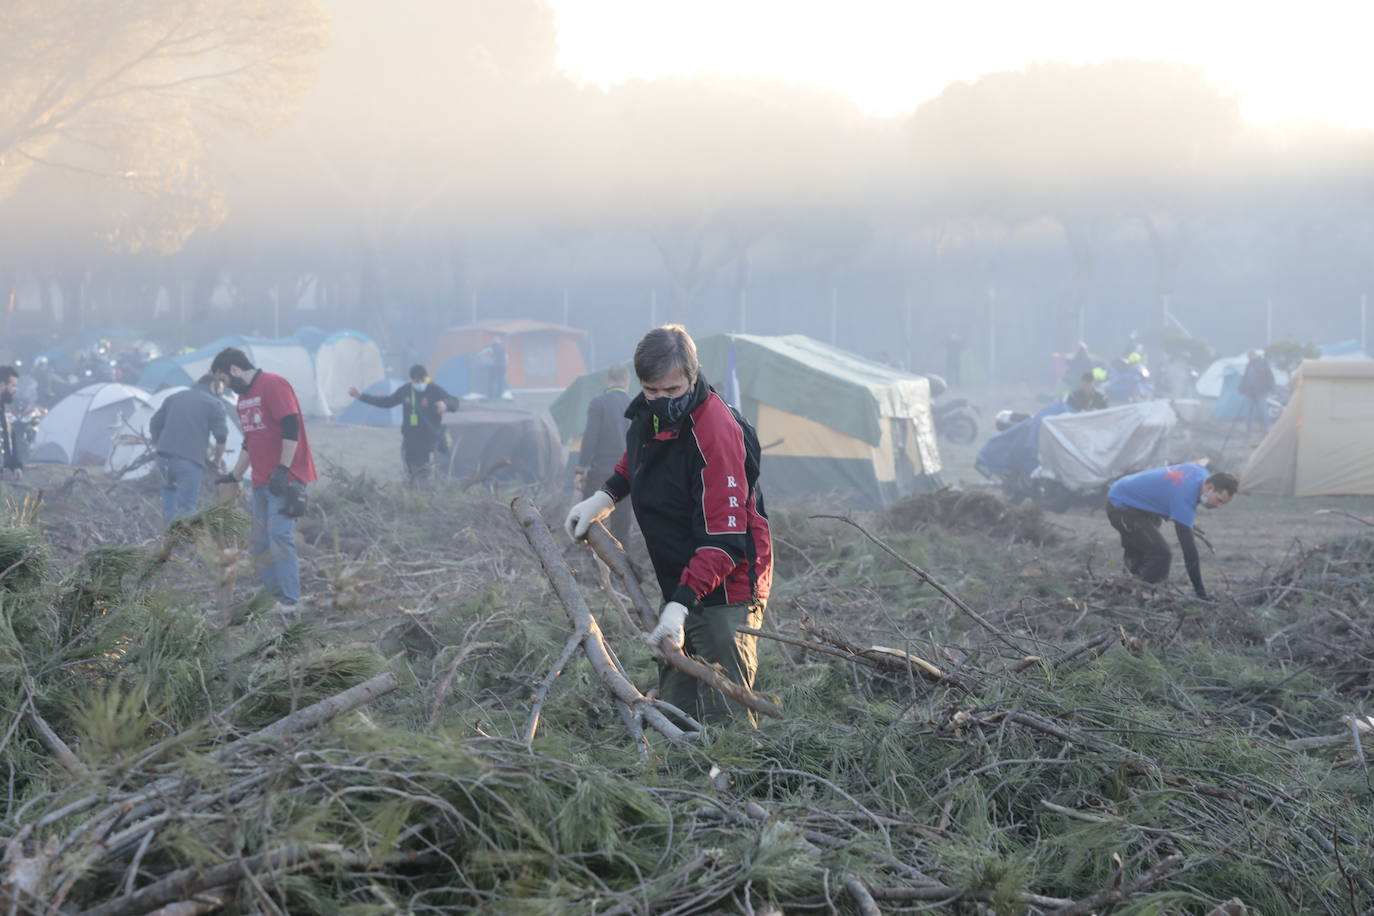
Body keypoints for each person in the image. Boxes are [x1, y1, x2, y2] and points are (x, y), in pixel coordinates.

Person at [564, 325, 773, 726]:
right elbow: (638, 458)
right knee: (675, 703)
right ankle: (675, 771)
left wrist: (678, 607)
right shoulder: (649, 415)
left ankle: (731, 782)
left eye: (672, 391)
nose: (660, 401)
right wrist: (604, 497)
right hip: (682, 578)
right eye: (651, 391)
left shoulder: (716, 432)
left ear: (693, 378)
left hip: (728, 585)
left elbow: (724, 540)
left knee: (724, 713)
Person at [210, 347, 317, 608]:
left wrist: (282, 469)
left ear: (234, 370)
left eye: (224, 379)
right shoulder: (243, 398)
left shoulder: (273, 384)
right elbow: (251, 439)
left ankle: (290, 601)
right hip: (260, 480)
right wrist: (234, 476)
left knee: (280, 536)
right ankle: (272, 598)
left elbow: (291, 427)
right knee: (259, 543)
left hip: (285, 478)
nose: (225, 385)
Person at [1105, 465, 1238, 599]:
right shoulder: (1185, 497)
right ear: (1209, 488)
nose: (1219, 506)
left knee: (1147, 547)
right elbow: (1189, 551)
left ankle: (1130, 589)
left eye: (1223, 504)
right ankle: (1146, 596)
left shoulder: (1201, 472)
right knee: (1161, 553)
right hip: (1121, 504)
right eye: (1219, 500)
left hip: (1134, 500)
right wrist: (1201, 593)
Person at [348, 365, 458, 484]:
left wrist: (445, 404)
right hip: (411, 440)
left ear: (427, 378)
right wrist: (361, 396)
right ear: (411, 380)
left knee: (428, 474)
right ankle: (415, 493)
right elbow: (387, 402)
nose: (420, 383)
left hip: (430, 440)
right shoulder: (405, 390)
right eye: (417, 381)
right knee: (412, 475)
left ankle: (427, 493)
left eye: (423, 380)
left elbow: (455, 402)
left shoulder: (434, 390)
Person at [148, 374, 229, 524]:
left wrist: (159, 444)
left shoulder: (175, 397)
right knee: (186, 508)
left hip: (163, 459)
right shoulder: (215, 404)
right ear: (212, 385)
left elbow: (154, 423)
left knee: (168, 504)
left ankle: (169, 543)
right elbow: (221, 436)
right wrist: (216, 462)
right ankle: (183, 546)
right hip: (189, 462)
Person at [574, 363, 634, 544]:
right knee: (621, 529)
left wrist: (580, 470)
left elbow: (590, 440)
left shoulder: (598, 404)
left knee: (589, 523)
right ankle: (623, 568)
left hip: (599, 475)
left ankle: (589, 567)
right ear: (627, 381)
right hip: (624, 477)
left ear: (607, 380)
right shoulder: (633, 406)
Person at [1238, 349, 1275, 439]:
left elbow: (1269, 376)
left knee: (1263, 410)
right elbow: (1245, 377)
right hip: (1249, 392)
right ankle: (1248, 428)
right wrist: (1241, 388)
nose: (1249, 358)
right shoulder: (1249, 365)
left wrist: (1270, 388)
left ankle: (1268, 427)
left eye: (1250, 356)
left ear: (1254, 355)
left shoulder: (1263, 363)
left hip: (1260, 391)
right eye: (1248, 356)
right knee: (1248, 411)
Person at [1, 366, 22, 480]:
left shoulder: (5, 411)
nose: (16, 389)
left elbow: (9, 441)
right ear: (2, 385)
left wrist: (16, 465)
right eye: (13, 385)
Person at [482, 335, 507, 399]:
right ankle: (499, 395)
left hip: (495, 366)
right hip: (502, 366)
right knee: (500, 381)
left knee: (491, 380)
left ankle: (490, 395)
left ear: (494, 340)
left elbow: (484, 352)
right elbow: (506, 357)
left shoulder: (492, 346)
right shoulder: (503, 347)